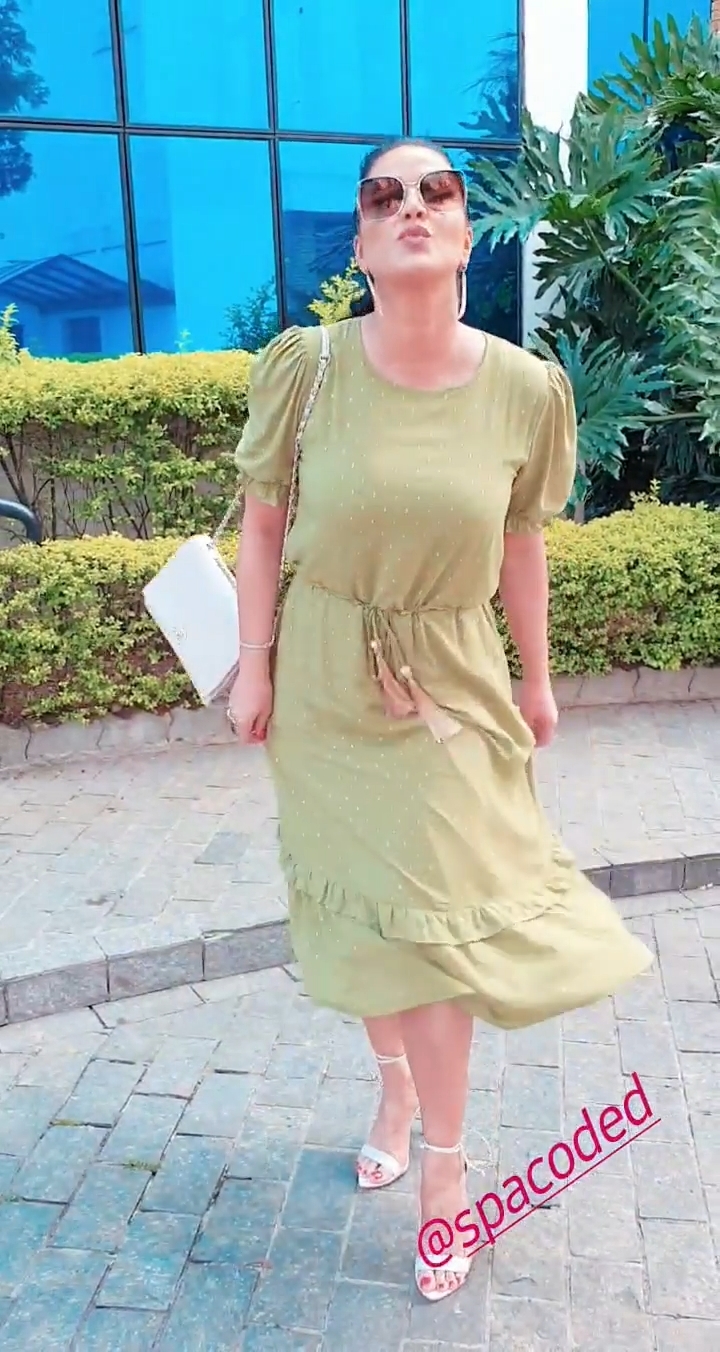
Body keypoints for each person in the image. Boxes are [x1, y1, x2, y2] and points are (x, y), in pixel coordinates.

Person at [228, 137, 652, 1302]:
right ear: (363, 244)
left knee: (439, 924)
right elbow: (262, 524)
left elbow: (522, 543)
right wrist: (255, 668)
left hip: (451, 679)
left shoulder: (524, 388)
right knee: (363, 908)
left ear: (466, 234)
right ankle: (395, 1088)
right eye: (385, 197)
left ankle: (447, 1171)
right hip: (325, 675)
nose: (411, 207)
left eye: (437, 192)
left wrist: (537, 678)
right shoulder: (308, 367)